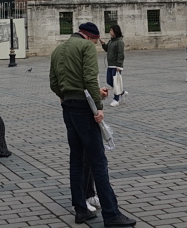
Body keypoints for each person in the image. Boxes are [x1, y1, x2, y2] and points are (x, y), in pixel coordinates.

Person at [50, 21, 136, 227]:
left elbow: (53, 82)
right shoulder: (85, 47)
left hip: (68, 107)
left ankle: (81, 210)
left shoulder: (58, 49)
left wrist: (65, 95)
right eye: (96, 42)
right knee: (98, 161)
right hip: (84, 109)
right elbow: (89, 77)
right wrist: (98, 107)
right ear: (89, 37)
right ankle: (111, 214)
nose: (96, 46)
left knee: (76, 160)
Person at [100, 24, 126, 106]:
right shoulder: (111, 41)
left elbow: (120, 54)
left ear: (115, 31)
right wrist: (103, 44)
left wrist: (119, 65)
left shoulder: (120, 42)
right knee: (109, 81)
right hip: (110, 65)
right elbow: (107, 49)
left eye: (111, 30)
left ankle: (116, 99)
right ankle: (122, 92)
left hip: (116, 66)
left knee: (115, 82)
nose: (110, 32)